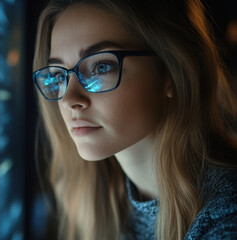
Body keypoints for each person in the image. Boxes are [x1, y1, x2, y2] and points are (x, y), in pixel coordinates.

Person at [31, 0, 237, 239]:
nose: (68, 99)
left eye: (101, 67)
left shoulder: (225, 216)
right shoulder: (97, 203)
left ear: (171, 71)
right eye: (57, 74)